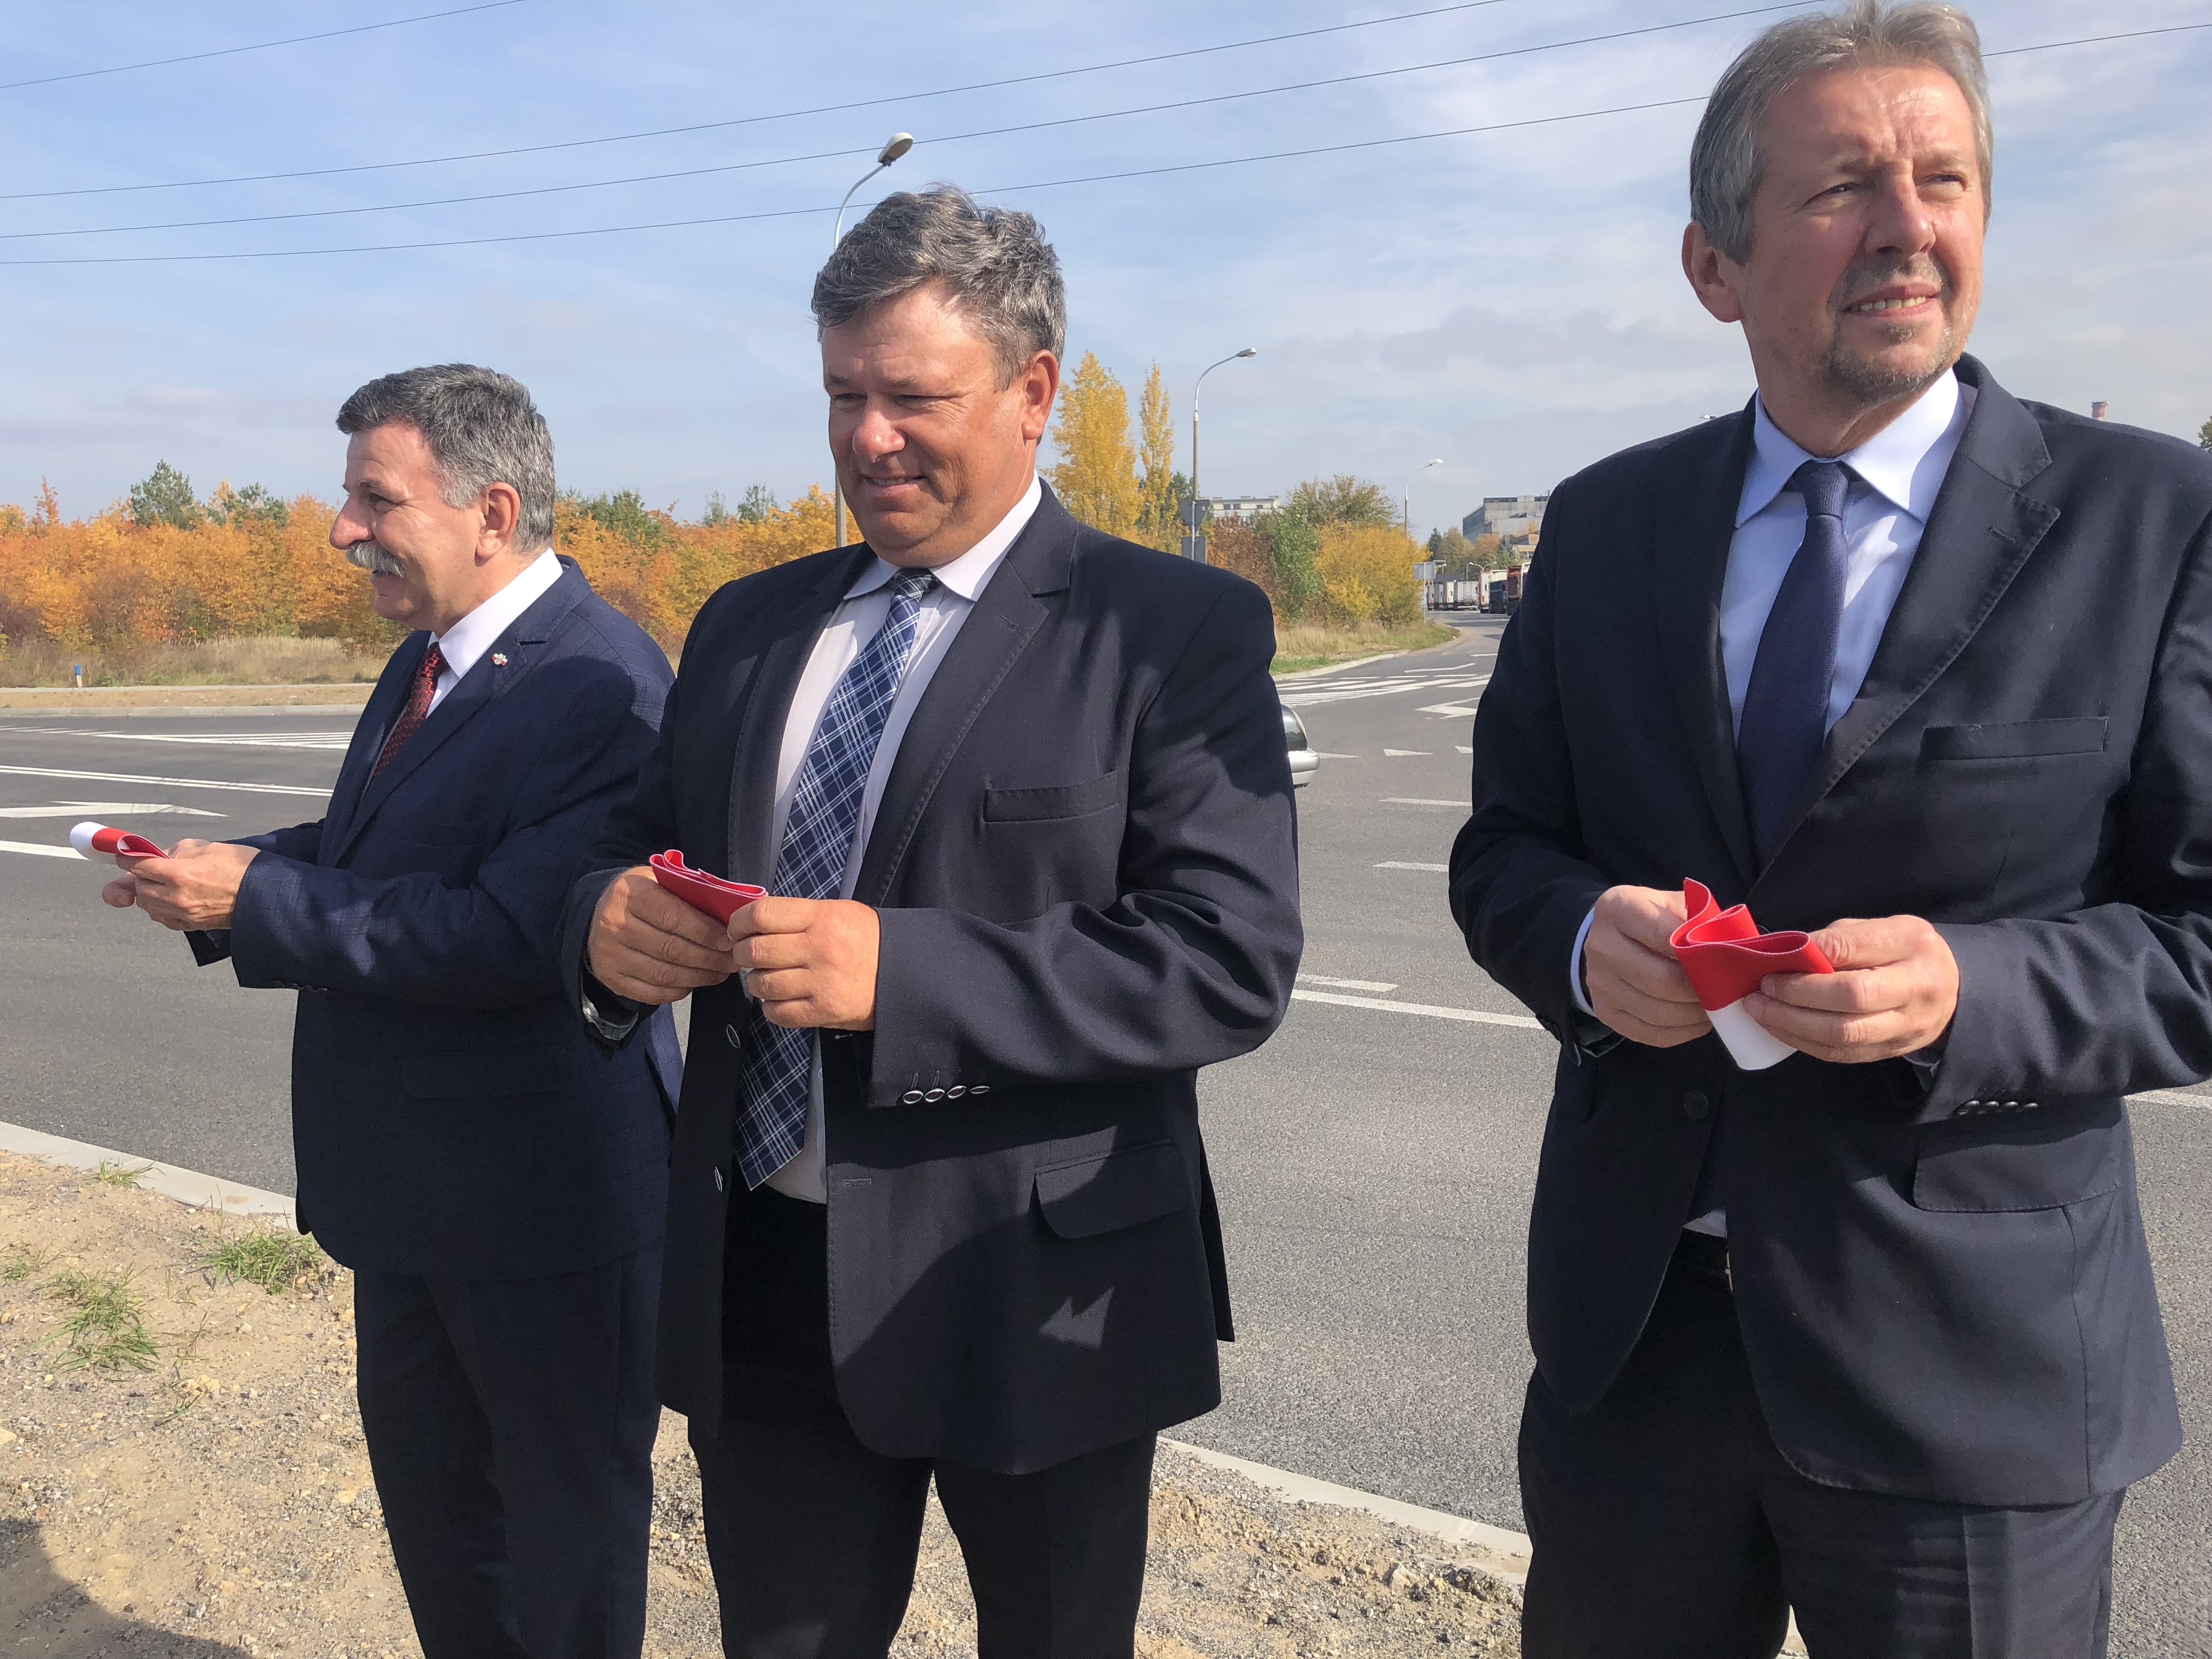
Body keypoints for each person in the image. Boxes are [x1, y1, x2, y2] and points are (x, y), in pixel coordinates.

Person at [1448, 4, 2212, 1655]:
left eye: (1945, 180)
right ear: (1713, 266)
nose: (1906, 226)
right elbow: (1504, 850)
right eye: (1844, 185)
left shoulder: (2154, 519)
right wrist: (1581, 945)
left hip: (1971, 1381)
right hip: (1638, 1358)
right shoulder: (1607, 525)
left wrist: (1968, 990)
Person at [561, 185, 1301, 1658]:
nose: (869, 439)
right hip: (765, 1268)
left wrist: (901, 972)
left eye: (912, 398)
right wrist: (605, 919)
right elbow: (626, 846)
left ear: (1034, 393)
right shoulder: (748, 626)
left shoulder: (1168, 629)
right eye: (845, 396)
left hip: (1034, 1276)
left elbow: (1226, 957)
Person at [103, 364, 681, 1659]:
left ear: (492, 512)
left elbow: (512, 933)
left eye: (375, 498)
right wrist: (226, 872)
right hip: (415, 1197)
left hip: (543, 1212)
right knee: (446, 1539)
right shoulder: (428, 656)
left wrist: (259, 902)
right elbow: (383, 848)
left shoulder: (601, 684)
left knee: (564, 1563)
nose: (340, 529)